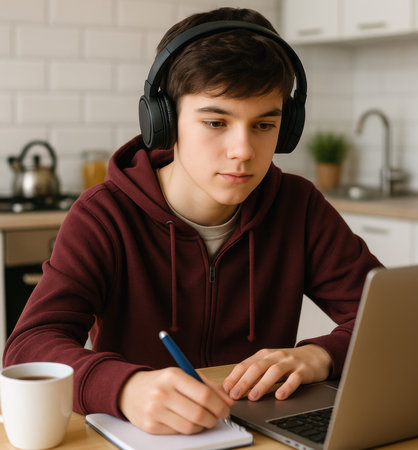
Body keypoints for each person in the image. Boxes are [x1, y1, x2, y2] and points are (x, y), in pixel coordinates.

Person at [3, 7, 381, 436]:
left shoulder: (298, 206)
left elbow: (391, 324)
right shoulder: (104, 214)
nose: (243, 150)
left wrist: (323, 355)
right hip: (144, 437)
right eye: (216, 122)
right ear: (164, 122)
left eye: (264, 124)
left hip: (258, 435)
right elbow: (27, 347)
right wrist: (125, 387)